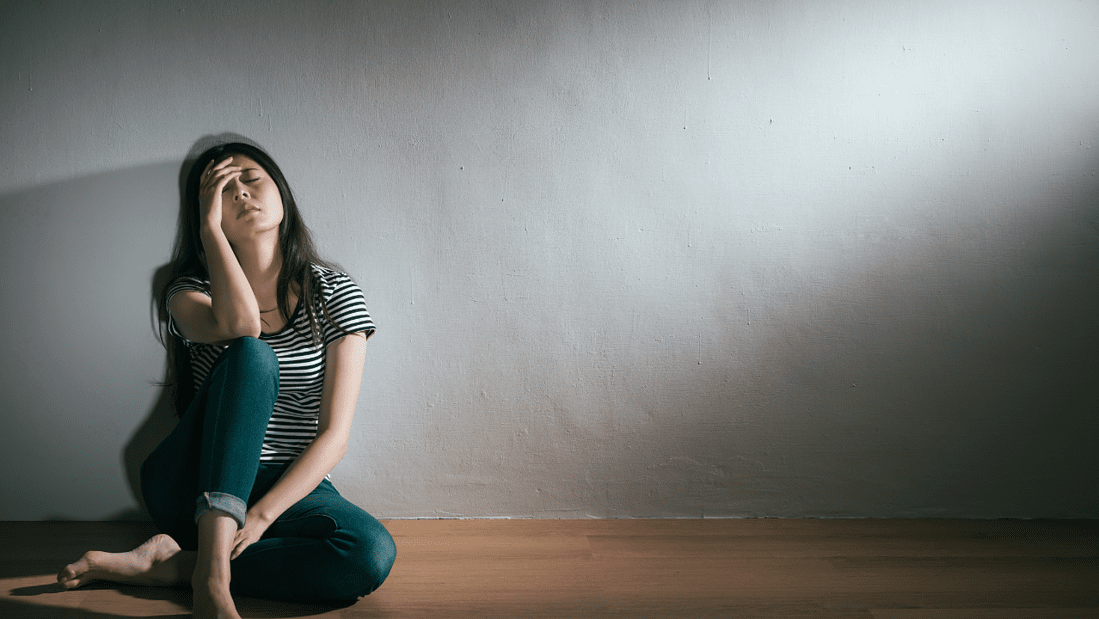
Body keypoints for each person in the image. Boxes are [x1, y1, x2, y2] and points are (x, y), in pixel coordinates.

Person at [56, 141, 396, 618]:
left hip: (284, 482)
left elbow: (334, 437)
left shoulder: (334, 292)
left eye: (251, 179)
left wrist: (261, 516)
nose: (240, 193)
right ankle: (212, 581)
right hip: (191, 479)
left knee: (369, 554)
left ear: (281, 190)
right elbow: (243, 327)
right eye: (220, 189)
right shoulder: (187, 291)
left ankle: (173, 566)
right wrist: (211, 230)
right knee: (253, 356)